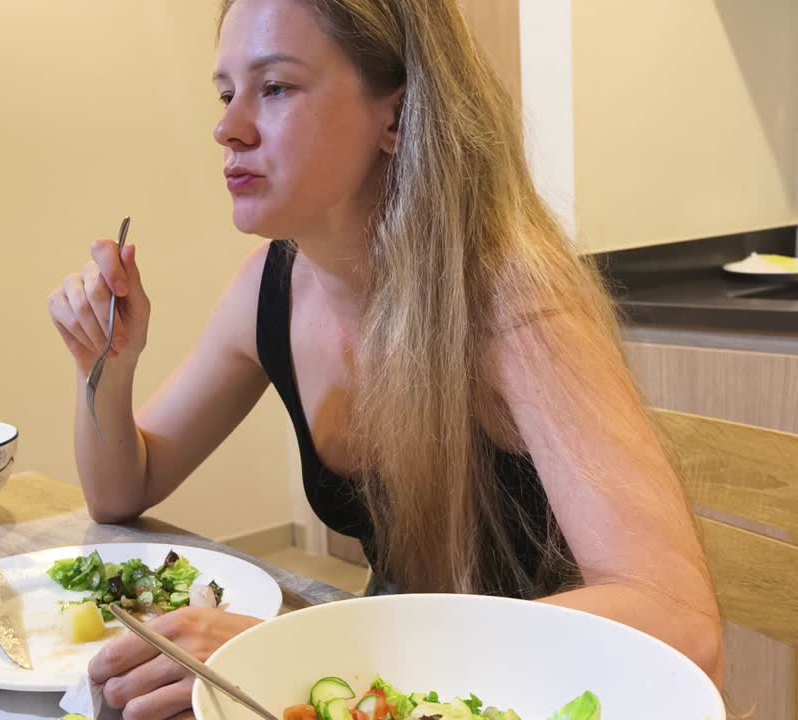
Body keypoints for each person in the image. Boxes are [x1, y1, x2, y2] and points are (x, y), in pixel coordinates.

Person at [46, 1, 723, 717]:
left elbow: (680, 623)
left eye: (274, 88)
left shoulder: (510, 298)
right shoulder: (267, 287)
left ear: (397, 117)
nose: (228, 128)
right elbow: (122, 489)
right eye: (226, 93)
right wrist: (106, 370)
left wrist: (303, 653)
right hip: (397, 694)